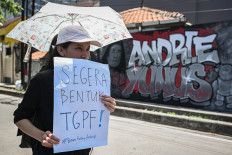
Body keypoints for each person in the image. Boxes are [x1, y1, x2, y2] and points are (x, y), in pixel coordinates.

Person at [13, 25, 117, 155]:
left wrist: (107, 107)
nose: (85, 55)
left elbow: (91, 116)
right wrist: (41, 136)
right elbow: (20, 117)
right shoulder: (42, 80)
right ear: (61, 50)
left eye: (88, 49)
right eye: (79, 48)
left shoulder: (92, 81)